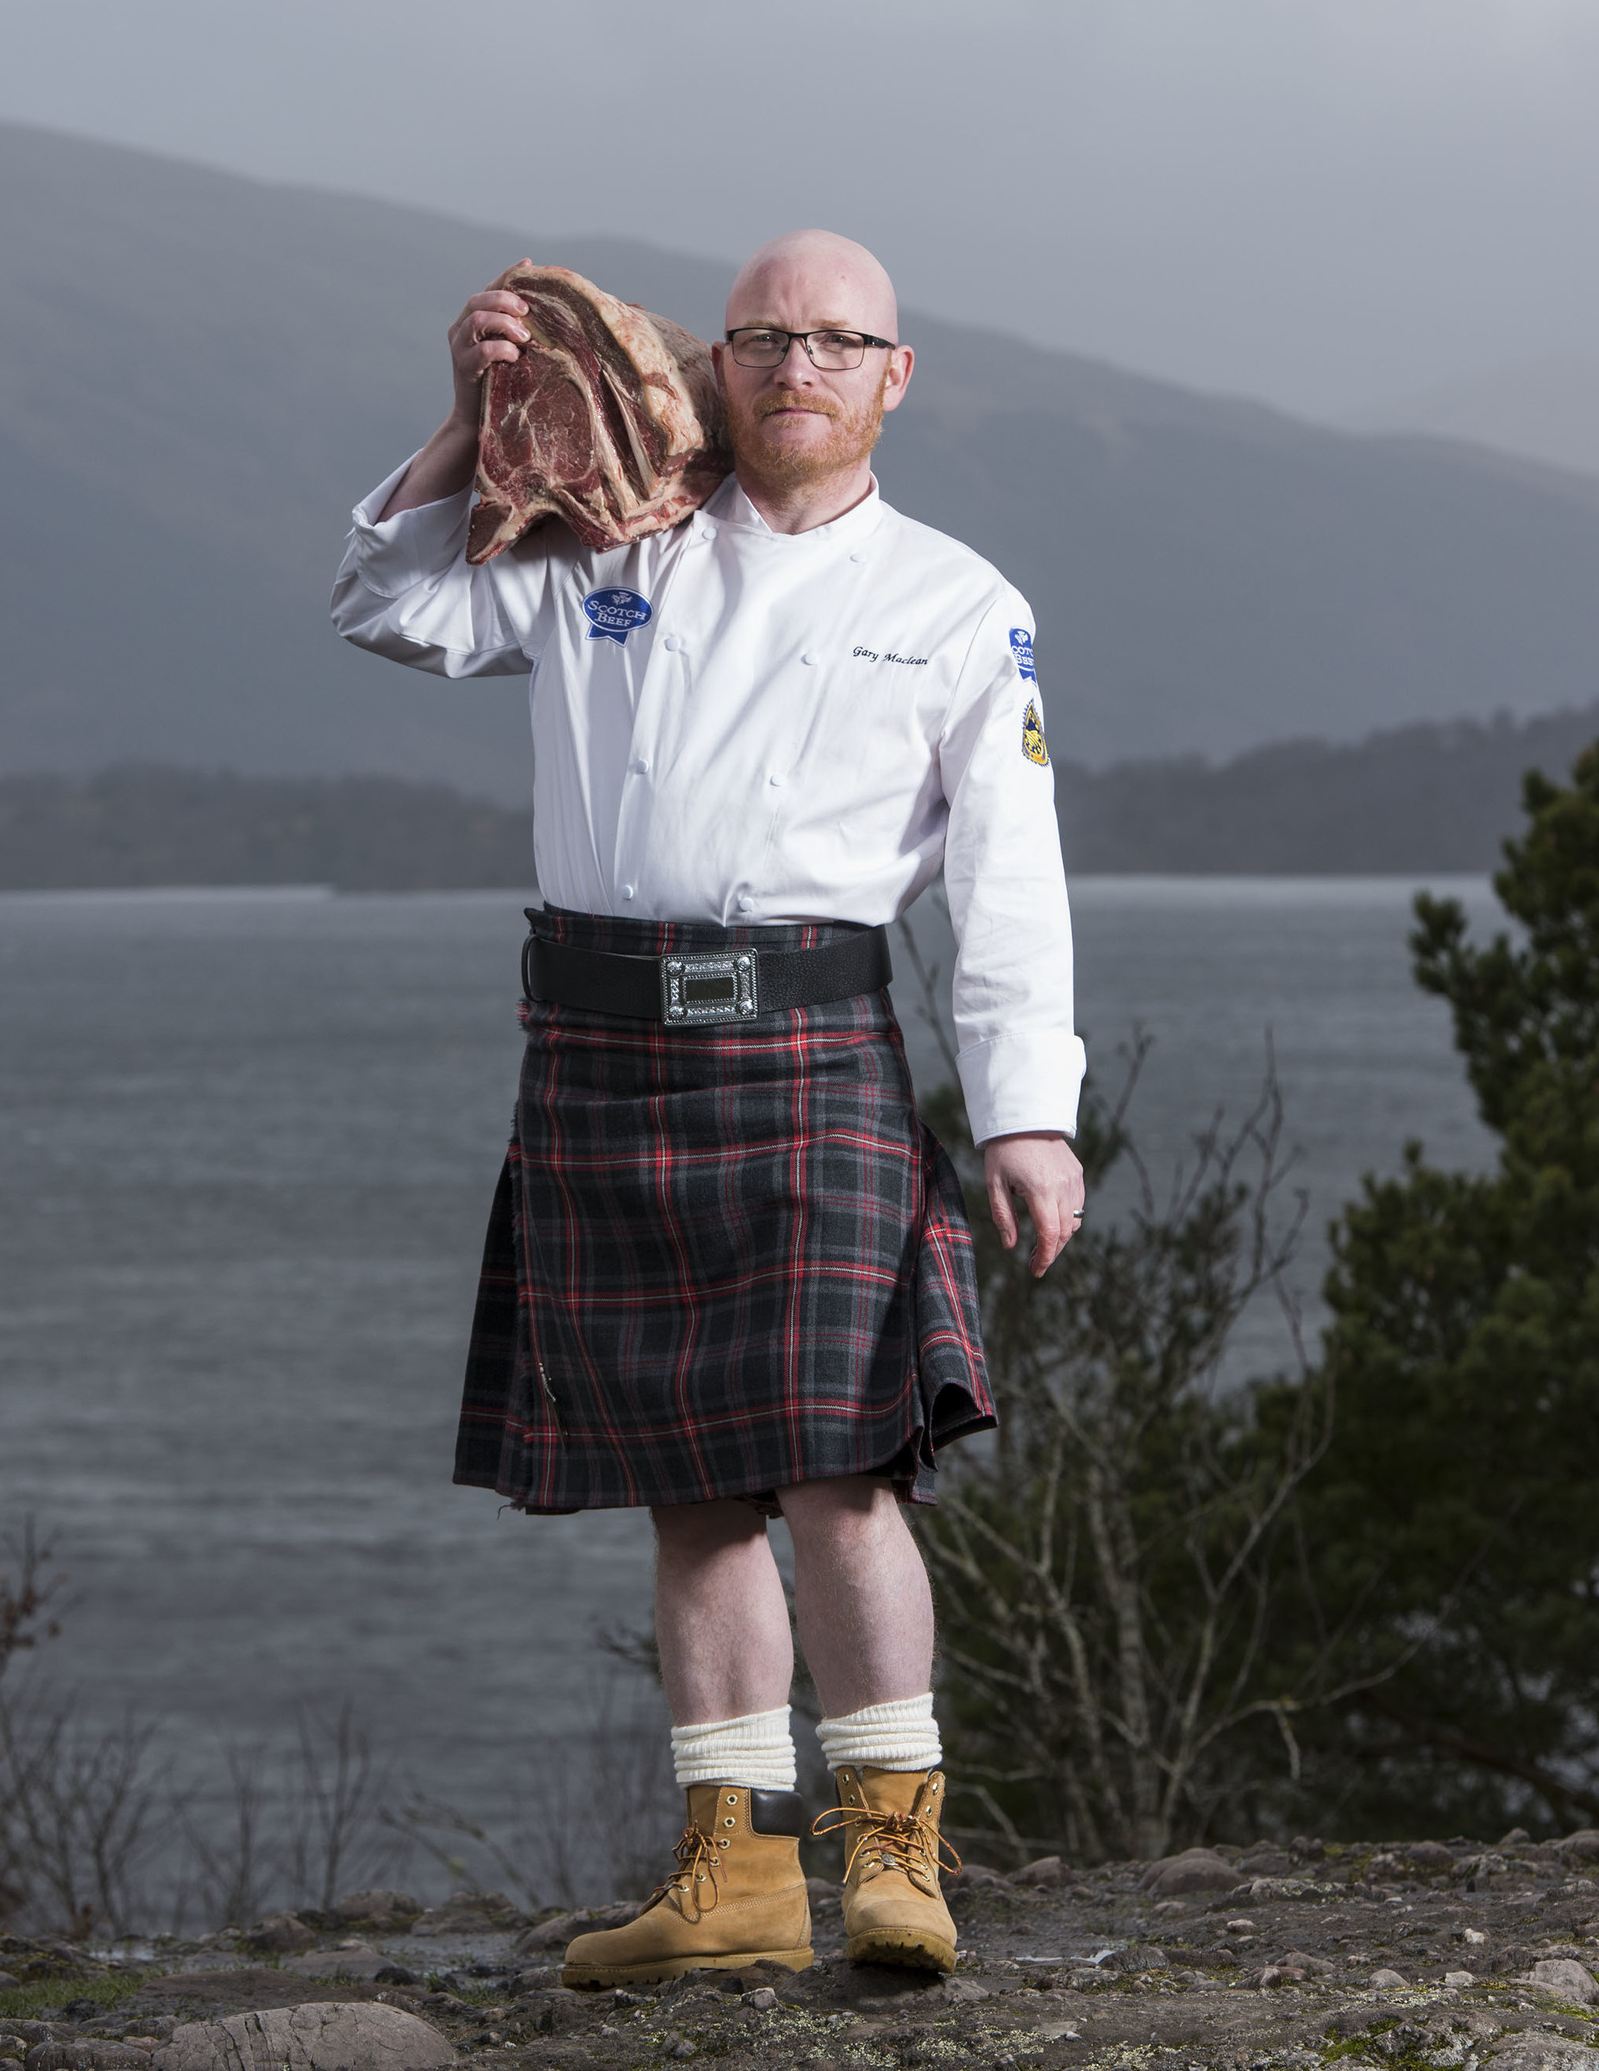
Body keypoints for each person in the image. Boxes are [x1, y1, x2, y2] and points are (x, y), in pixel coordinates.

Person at [327, 232, 1085, 1985]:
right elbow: (387, 607)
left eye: (835, 342)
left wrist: (1024, 1112)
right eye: (763, 336)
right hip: (601, 1049)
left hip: (814, 1045)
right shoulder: (607, 537)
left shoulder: (963, 604)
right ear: (718, 364)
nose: (794, 367)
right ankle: (735, 1878)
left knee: (839, 1467)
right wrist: (464, 418)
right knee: (688, 1489)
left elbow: (1010, 879)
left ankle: (896, 1850)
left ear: (897, 378)